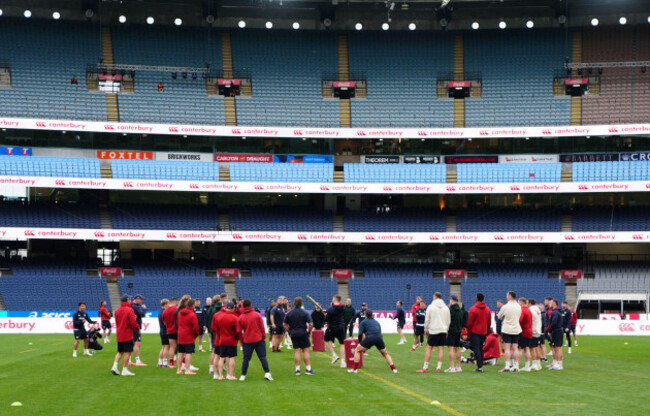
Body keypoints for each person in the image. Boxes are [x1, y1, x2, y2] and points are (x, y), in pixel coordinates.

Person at [348, 310, 398, 374]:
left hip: (370, 338)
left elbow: (360, 334)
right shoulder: (376, 322)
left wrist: (359, 342)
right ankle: (394, 369)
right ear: (372, 315)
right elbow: (379, 332)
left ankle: (355, 370)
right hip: (379, 338)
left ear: (365, 315)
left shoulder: (363, 322)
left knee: (357, 350)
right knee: (385, 353)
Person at [237, 299, 273, 381]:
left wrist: (241, 341)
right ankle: (267, 373)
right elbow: (262, 328)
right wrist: (263, 337)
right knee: (263, 357)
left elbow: (239, 331)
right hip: (258, 339)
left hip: (247, 340)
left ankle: (243, 375)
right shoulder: (257, 315)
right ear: (251, 305)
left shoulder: (241, 317)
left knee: (246, 358)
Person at [417, 292, 450, 374]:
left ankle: (425, 367)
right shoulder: (446, 308)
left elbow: (427, 319)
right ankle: (438, 367)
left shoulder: (431, 307)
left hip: (434, 329)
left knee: (429, 348)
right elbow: (448, 320)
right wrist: (446, 330)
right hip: (443, 329)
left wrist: (425, 329)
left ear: (435, 297)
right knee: (441, 348)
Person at [283, 297, 315, 376]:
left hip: (294, 333)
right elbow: (311, 324)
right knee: (306, 351)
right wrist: (308, 331)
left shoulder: (290, 313)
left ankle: (297, 370)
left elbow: (284, 324)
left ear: (294, 303)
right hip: (303, 333)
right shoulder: (305, 312)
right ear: (301, 303)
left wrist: (289, 331)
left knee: (297, 351)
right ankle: (308, 369)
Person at [111, 295, 140, 376]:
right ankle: (125, 369)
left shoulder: (117, 311)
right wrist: (138, 328)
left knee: (120, 352)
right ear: (127, 300)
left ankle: (114, 366)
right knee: (128, 352)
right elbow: (133, 322)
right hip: (127, 334)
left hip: (119, 333)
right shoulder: (130, 310)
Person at [213, 302, 240, 380]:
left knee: (221, 358)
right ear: (232, 308)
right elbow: (237, 331)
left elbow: (216, 330)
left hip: (222, 340)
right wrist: (237, 339)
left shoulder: (219, 317)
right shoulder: (235, 318)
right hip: (231, 340)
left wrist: (220, 335)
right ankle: (230, 375)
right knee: (231, 358)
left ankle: (220, 375)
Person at [497, 291, 522, 372]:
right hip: (516, 328)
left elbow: (499, 316)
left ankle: (507, 366)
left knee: (507, 348)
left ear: (510, 296)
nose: (506, 297)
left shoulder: (505, 307)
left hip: (507, 329)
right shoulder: (519, 306)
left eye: (507, 295)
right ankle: (516, 366)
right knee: (515, 348)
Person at [467, 293, 492, 373]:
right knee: (481, 349)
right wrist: (487, 331)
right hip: (483, 332)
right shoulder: (487, 309)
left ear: (477, 298)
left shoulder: (473, 309)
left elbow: (470, 323)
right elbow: (489, 322)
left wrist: (469, 332)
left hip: (475, 332)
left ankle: (480, 366)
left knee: (476, 349)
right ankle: (480, 365)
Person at [176, 298, 199, 375]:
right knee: (188, 353)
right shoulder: (192, 315)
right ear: (192, 306)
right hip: (189, 335)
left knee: (180, 352)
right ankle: (187, 370)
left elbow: (178, 322)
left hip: (180, 334)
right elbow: (195, 327)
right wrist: (196, 334)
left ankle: (179, 369)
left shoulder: (180, 313)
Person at [324, 295, 347, 368]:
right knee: (342, 344)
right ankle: (343, 362)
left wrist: (325, 314)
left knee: (326, 340)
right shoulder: (342, 307)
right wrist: (327, 312)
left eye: (333, 298)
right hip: (341, 327)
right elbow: (335, 310)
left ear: (335, 299)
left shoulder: (331, 309)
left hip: (332, 328)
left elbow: (327, 319)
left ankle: (334, 355)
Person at [447, 295, 463, 372]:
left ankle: (452, 367)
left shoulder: (451, 310)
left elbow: (448, 321)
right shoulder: (460, 310)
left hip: (451, 331)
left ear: (452, 300)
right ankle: (458, 366)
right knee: (457, 348)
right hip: (458, 331)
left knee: (450, 348)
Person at [129, 295, 147, 367]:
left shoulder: (133, 306)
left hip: (134, 327)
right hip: (136, 327)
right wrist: (144, 309)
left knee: (133, 343)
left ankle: (129, 360)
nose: (142, 301)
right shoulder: (134, 306)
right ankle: (137, 361)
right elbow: (142, 314)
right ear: (137, 299)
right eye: (141, 299)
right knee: (137, 343)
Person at [516, 297, 533, 372]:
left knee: (520, 349)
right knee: (526, 349)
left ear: (521, 302)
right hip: (529, 331)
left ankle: (516, 366)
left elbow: (519, 320)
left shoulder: (522, 310)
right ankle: (527, 366)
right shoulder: (529, 310)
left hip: (524, 331)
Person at [547, 299, 564, 370]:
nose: (549, 304)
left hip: (556, 331)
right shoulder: (557, 312)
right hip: (557, 331)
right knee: (556, 348)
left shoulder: (555, 313)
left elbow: (554, 322)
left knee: (558, 348)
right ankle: (557, 363)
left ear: (554, 303)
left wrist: (550, 330)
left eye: (550, 303)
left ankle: (559, 364)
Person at [162, 297, 179, 367]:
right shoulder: (177, 309)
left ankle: (171, 363)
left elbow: (164, 322)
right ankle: (183, 363)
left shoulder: (165, 311)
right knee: (181, 348)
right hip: (177, 331)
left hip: (169, 331)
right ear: (176, 302)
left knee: (172, 347)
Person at [528, 299, 543, 371]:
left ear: (530, 303)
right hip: (538, 330)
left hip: (533, 331)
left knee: (532, 348)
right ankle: (538, 363)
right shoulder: (537, 310)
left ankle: (534, 364)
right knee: (536, 347)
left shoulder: (531, 311)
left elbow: (530, 321)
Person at [157, 299, 170, 368]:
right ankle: (165, 363)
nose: (169, 305)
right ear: (165, 304)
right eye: (168, 304)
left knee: (163, 347)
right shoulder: (165, 312)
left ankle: (160, 362)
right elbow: (166, 323)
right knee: (166, 347)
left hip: (161, 330)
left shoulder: (160, 312)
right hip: (165, 331)